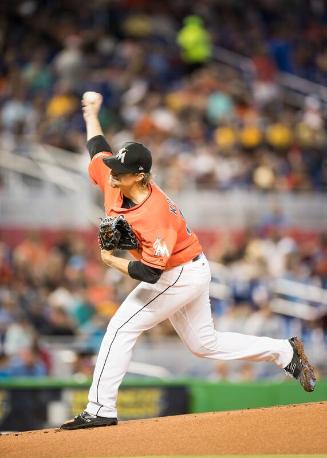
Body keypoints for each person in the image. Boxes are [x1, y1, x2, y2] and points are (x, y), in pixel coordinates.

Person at [61, 93, 316, 430]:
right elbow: (98, 148)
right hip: (185, 268)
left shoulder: (154, 215)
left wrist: (111, 260)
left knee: (121, 327)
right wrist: (91, 112)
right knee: (203, 343)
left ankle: (100, 408)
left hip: (179, 273)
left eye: (119, 172)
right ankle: (285, 352)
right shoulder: (116, 182)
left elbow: (151, 273)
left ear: (139, 176)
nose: (111, 174)